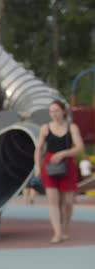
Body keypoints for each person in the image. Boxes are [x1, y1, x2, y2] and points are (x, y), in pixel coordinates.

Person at [34, 100, 84, 244]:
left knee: (67, 202)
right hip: (49, 165)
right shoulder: (45, 128)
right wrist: (37, 166)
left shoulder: (72, 127)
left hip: (67, 164)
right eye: (51, 111)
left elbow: (79, 147)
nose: (53, 114)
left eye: (56, 111)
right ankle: (58, 233)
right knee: (53, 201)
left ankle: (65, 227)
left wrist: (63, 153)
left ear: (63, 111)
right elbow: (38, 149)